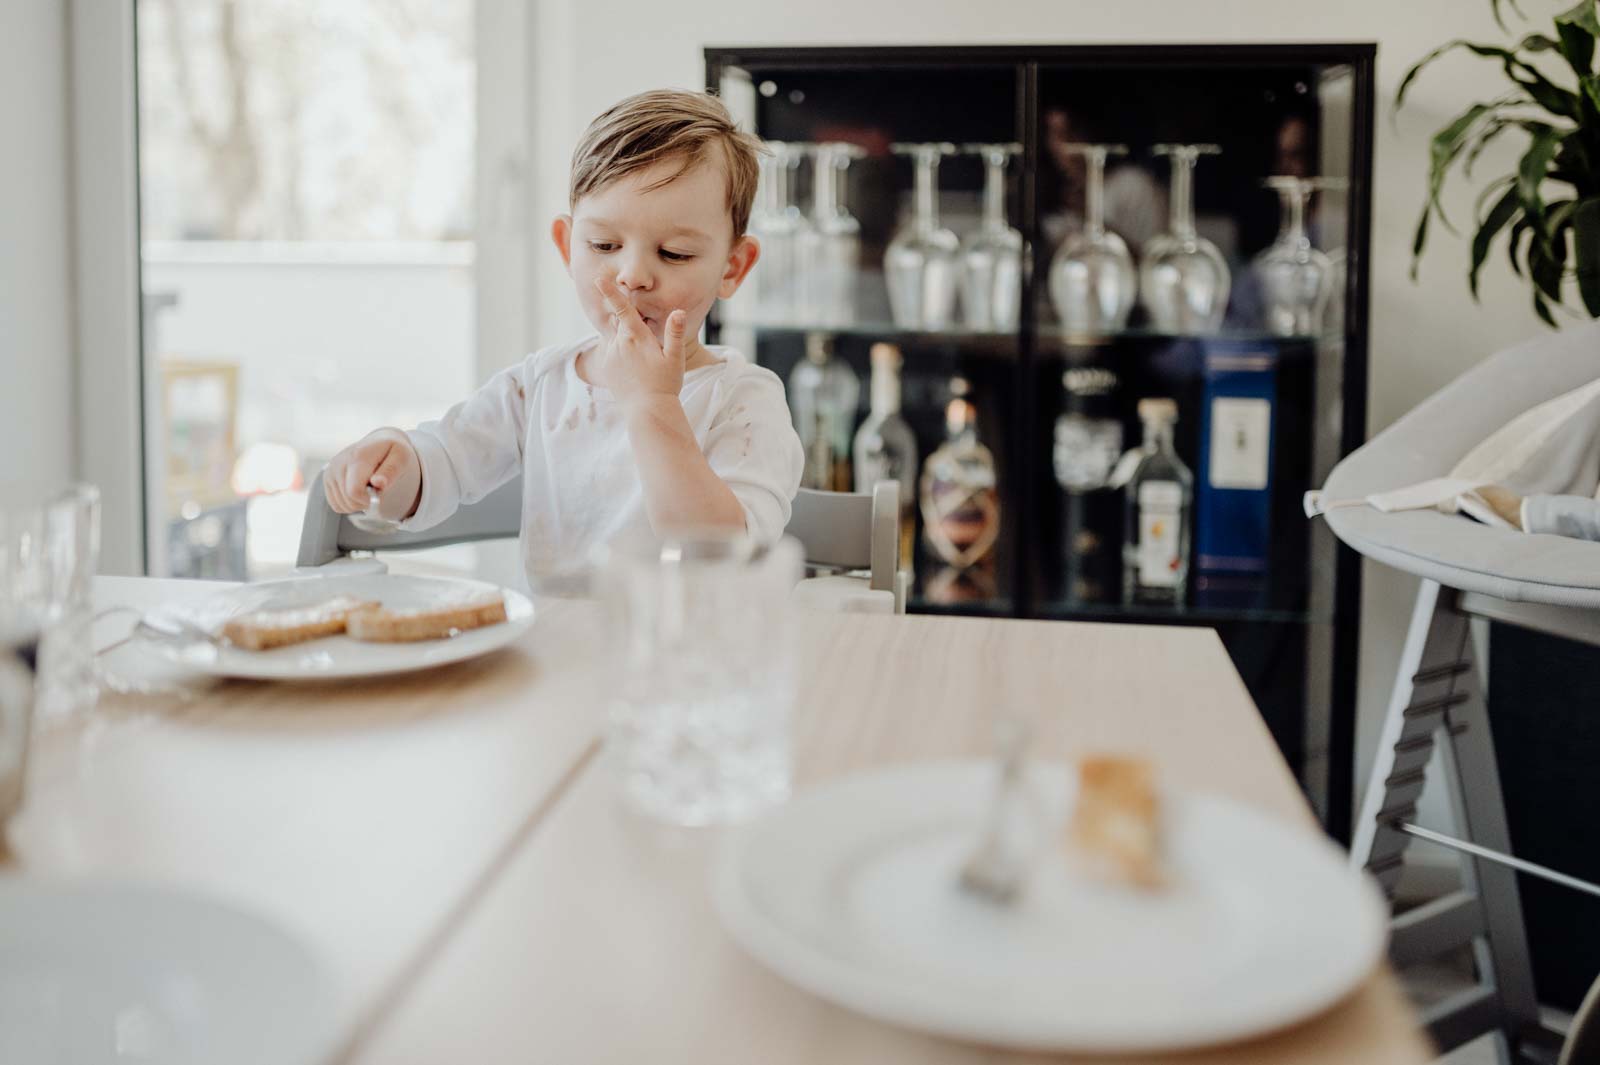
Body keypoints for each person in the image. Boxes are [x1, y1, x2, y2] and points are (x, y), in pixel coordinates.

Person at [322, 89, 805, 591]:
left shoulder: (745, 402)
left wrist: (652, 405)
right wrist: (393, 466)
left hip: (687, 662)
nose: (633, 275)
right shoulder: (540, 385)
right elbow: (444, 465)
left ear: (732, 267)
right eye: (603, 245)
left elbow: (725, 557)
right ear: (567, 247)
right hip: (554, 659)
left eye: (675, 253)